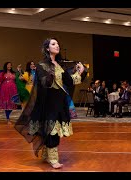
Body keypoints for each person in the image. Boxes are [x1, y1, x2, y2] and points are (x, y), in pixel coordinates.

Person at [14, 37, 86, 169]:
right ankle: (53, 158)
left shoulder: (60, 65)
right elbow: (43, 82)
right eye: (53, 44)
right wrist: (49, 76)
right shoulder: (42, 65)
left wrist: (80, 71)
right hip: (49, 103)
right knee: (51, 129)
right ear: (47, 48)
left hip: (60, 102)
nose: (57, 45)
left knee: (56, 130)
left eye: (57, 43)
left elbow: (70, 81)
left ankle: (47, 155)